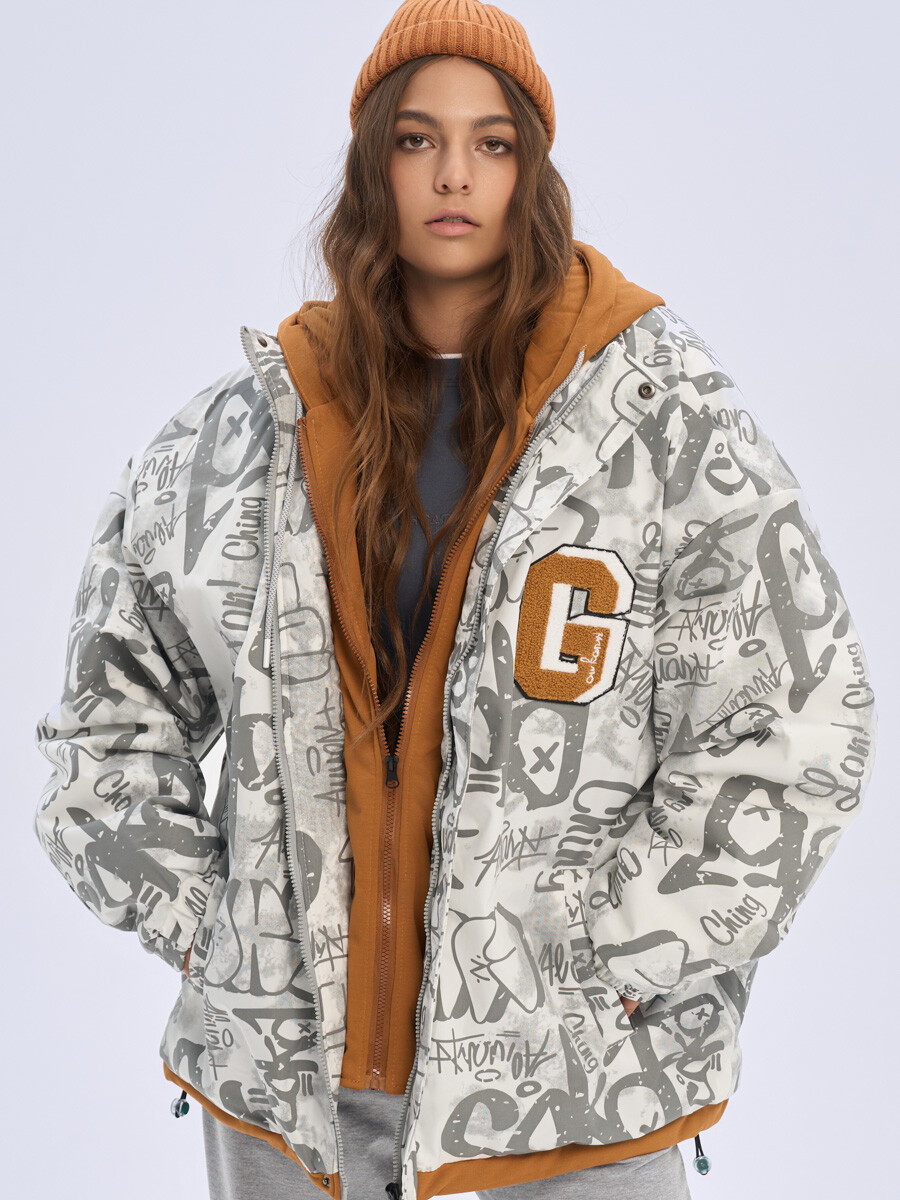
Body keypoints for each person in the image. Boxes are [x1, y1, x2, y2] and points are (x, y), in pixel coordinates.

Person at [32, 2, 879, 1199]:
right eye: (416, 138)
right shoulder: (240, 437)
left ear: (534, 172)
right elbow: (107, 725)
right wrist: (222, 934)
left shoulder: (666, 428)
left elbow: (797, 725)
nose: (453, 175)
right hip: (292, 1102)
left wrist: (615, 961)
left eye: (493, 142)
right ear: (370, 164)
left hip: (579, 1093)